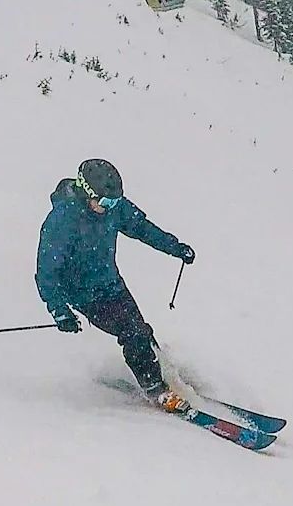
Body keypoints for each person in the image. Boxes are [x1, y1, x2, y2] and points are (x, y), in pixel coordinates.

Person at [36, 159, 195, 413]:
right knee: (132, 332)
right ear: (87, 193)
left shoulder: (114, 208)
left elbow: (142, 228)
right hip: (83, 294)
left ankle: (166, 376)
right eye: (106, 202)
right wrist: (59, 310)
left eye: (115, 202)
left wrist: (174, 247)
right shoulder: (62, 221)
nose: (110, 208)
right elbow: (46, 273)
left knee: (141, 330)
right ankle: (156, 389)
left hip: (111, 284)